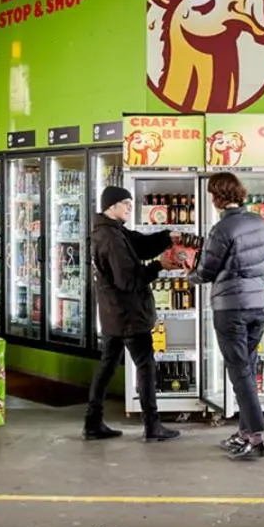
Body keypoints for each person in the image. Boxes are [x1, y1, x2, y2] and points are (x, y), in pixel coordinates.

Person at [188, 173, 264, 459]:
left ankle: (256, 435)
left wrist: (191, 273)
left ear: (217, 198)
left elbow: (207, 271)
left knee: (239, 371)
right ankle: (245, 433)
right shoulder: (260, 223)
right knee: (247, 369)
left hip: (231, 307)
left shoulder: (222, 229)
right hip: (258, 304)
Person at [84, 186, 181, 442]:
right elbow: (128, 280)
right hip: (128, 315)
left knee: (106, 367)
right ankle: (152, 426)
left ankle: (92, 422)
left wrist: (167, 237)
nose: (129, 207)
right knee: (145, 366)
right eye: (126, 203)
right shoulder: (111, 238)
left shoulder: (111, 231)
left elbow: (139, 244)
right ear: (111, 206)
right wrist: (158, 266)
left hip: (113, 314)